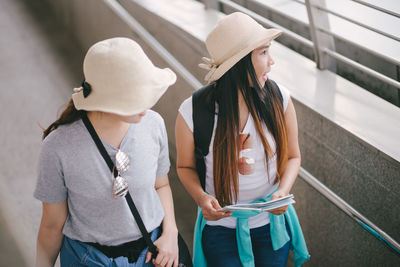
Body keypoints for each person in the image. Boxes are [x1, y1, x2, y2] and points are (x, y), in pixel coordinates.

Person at [175, 12, 309, 267]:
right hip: (220, 229)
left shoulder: (280, 100)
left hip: (271, 226)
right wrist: (202, 198)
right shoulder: (192, 111)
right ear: (239, 63)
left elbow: (293, 156)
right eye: (263, 52)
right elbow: (184, 167)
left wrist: (282, 192)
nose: (272, 61)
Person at [35, 37, 180, 267]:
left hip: (151, 255)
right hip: (87, 258)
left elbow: (160, 185)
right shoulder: (58, 146)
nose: (147, 103)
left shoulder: (154, 124)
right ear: (108, 99)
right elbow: (52, 226)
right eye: (136, 95)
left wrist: (170, 234)